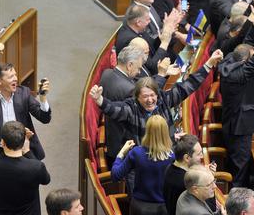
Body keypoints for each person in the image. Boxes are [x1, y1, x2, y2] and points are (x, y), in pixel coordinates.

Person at [89, 49, 223, 145]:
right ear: (137, 97)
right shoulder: (132, 108)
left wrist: (209, 64)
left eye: (152, 95)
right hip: (145, 163)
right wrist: (99, 100)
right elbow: (114, 109)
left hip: (166, 153)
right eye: (145, 97)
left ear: (157, 94)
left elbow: (189, 85)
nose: (150, 100)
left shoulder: (164, 99)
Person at [219, 7, 254, 187]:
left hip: (238, 121)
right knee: (239, 168)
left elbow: (247, 43)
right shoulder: (238, 76)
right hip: (238, 128)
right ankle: (237, 202)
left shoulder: (231, 59)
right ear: (245, 61)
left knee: (241, 165)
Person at [111, 115, 174, 215]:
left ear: (147, 131)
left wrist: (121, 153)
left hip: (140, 209)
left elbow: (116, 175)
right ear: (165, 132)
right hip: (164, 210)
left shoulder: (137, 153)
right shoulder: (172, 156)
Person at [0, 63, 51, 172]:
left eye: (15, 75)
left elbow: (44, 118)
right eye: (10, 77)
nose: (15, 79)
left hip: (22, 146)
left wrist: (43, 98)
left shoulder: (24, 93)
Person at [163, 134, 206, 215]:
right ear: (187, 158)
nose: (202, 157)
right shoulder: (184, 182)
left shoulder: (170, 168)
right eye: (199, 154)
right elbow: (206, 207)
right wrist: (208, 178)